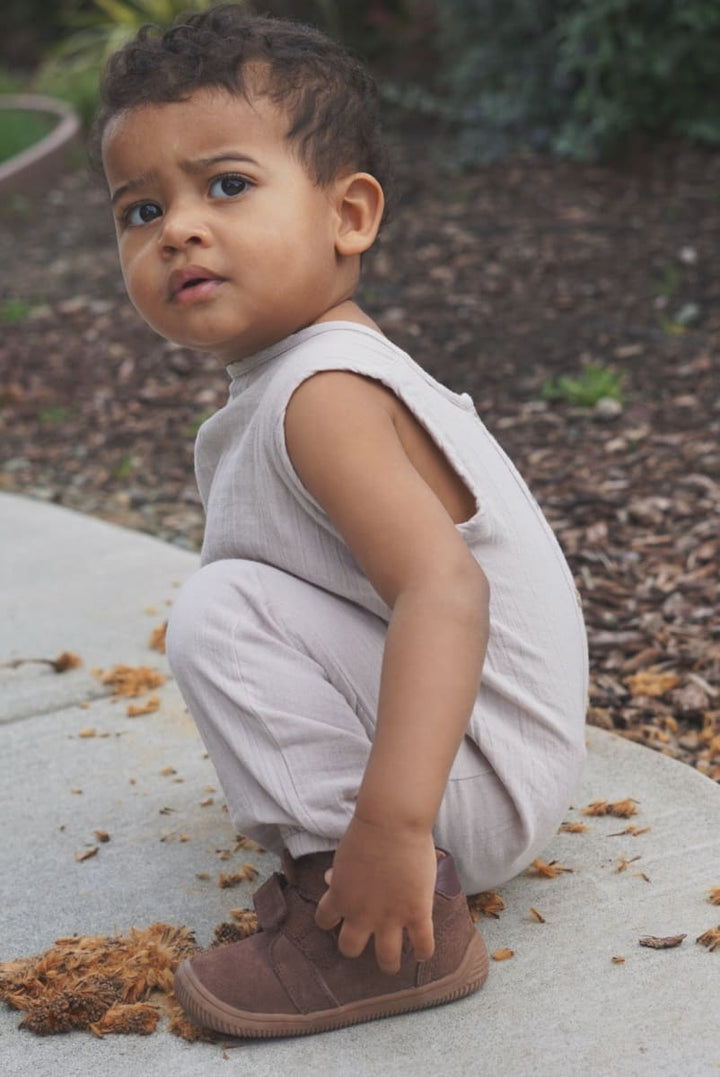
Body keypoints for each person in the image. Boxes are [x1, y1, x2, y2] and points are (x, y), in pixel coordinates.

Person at [92, 3, 588, 1038]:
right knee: (243, 598)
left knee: (224, 611)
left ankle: (379, 935)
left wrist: (393, 827)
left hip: (476, 779)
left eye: (228, 185)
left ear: (348, 215)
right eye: (141, 209)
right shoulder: (305, 374)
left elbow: (445, 590)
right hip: (485, 754)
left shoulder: (323, 395)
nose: (178, 227)